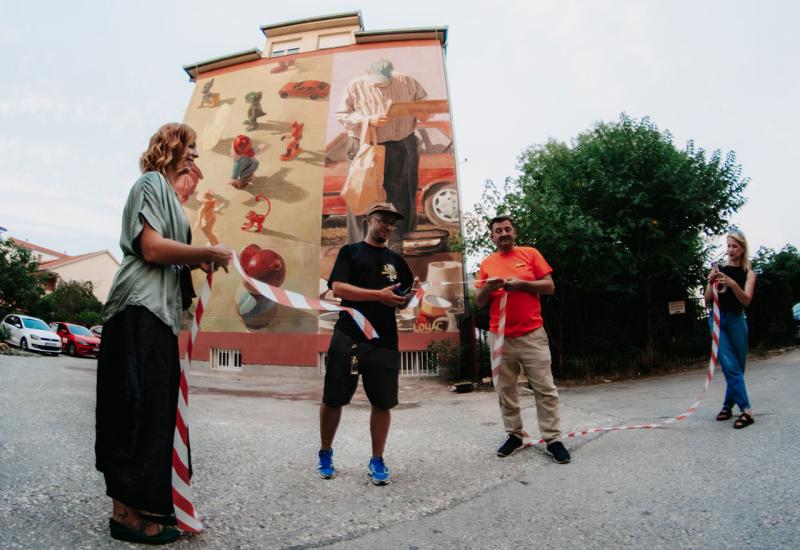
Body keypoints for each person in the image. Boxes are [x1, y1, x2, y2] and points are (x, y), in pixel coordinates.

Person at [96, 123, 232, 544]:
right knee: (133, 406)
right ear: (171, 147)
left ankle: (144, 506)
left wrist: (196, 262)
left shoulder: (172, 198)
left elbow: (169, 254)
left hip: (159, 314)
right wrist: (206, 252)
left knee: (155, 411)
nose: (194, 157)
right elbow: (152, 248)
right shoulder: (151, 183)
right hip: (138, 307)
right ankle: (125, 515)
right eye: (190, 148)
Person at [318, 202, 418, 485]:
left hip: (384, 340)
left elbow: (401, 301)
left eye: (392, 223)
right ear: (368, 220)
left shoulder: (397, 262)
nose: (387, 226)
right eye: (383, 220)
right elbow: (338, 288)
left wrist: (411, 296)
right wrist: (378, 295)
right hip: (349, 337)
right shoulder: (350, 252)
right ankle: (325, 452)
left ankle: (377, 459)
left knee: (383, 402)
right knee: (333, 398)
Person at [475, 215, 571, 464]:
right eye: (498, 231)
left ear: (514, 232)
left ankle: (553, 439)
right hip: (500, 337)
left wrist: (521, 285)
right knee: (505, 390)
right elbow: (479, 301)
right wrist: (488, 287)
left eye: (507, 229)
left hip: (532, 334)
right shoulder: (486, 264)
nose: (503, 234)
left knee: (545, 389)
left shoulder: (530, 254)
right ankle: (515, 435)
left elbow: (549, 287)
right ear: (492, 237)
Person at [334, 59, 428, 248]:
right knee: (361, 196)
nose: (379, 83)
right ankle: (359, 246)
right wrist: (368, 119)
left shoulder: (407, 81)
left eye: (383, 80)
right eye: (375, 80)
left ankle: (399, 245)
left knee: (402, 195)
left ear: (391, 74)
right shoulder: (355, 86)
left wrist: (424, 111)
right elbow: (342, 115)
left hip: (401, 143)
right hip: (365, 145)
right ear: (367, 73)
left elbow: (423, 103)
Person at [704, 228, 756, 429]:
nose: (731, 249)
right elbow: (708, 299)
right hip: (717, 321)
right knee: (729, 365)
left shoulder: (748, 274)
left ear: (742, 249)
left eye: (735, 246)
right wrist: (710, 282)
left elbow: (746, 301)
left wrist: (734, 284)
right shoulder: (720, 270)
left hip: (736, 321)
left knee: (738, 367)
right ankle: (746, 410)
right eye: (728, 245)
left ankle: (727, 405)